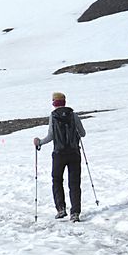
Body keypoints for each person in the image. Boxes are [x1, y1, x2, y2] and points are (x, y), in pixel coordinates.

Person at [34, 92, 87, 222]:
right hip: (74, 153)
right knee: (74, 183)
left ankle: (61, 209)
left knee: (57, 180)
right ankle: (75, 213)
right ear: (64, 102)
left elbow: (51, 136)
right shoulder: (73, 115)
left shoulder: (53, 116)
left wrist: (39, 142)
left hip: (59, 154)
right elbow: (83, 133)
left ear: (54, 103)